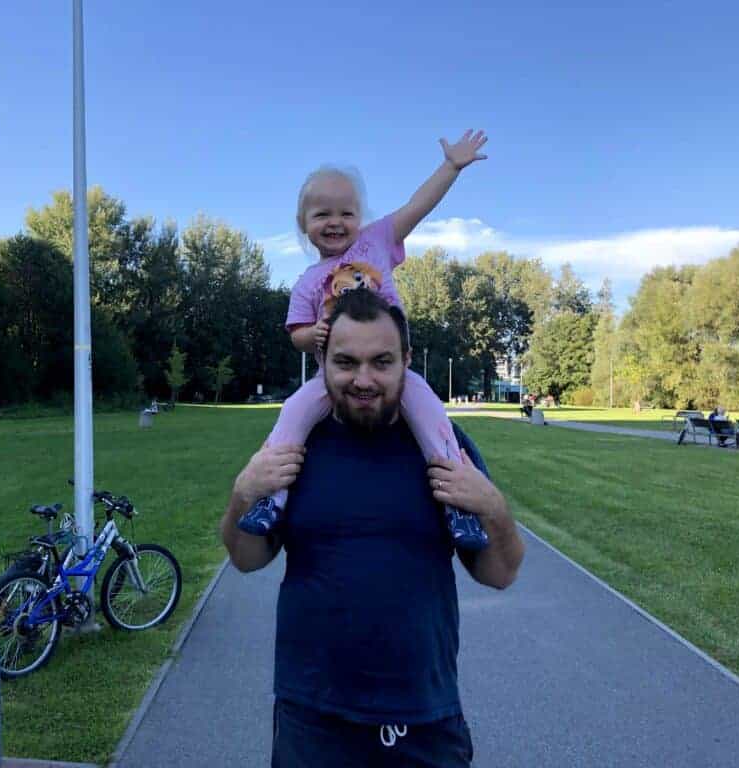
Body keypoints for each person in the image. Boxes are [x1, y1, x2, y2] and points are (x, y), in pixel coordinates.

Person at [221, 290, 525, 767]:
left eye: (381, 362)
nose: (363, 380)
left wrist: (493, 507)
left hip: (425, 716)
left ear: (406, 361)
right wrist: (243, 493)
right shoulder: (293, 447)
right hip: (312, 717)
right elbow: (245, 558)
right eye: (346, 362)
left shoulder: (444, 447)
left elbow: (500, 573)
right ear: (322, 360)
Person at [238, 130, 491, 554]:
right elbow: (296, 333)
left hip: (394, 373)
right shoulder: (307, 283)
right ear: (304, 225)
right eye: (321, 215)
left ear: (361, 217)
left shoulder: (378, 240)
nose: (334, 222)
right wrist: (311, 336)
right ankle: (270, 501)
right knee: (293, 414)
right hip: (331, 378)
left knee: (432, 418)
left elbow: (418, 205)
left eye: (345, 213)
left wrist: (451, 167)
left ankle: (458, 507)